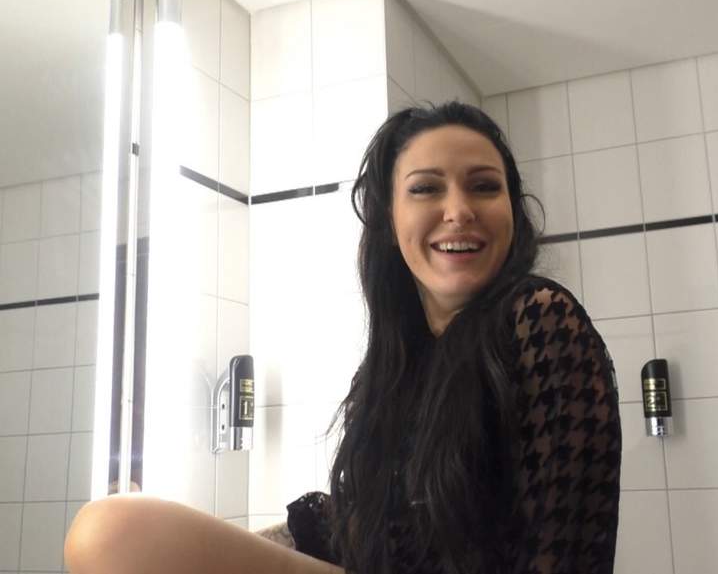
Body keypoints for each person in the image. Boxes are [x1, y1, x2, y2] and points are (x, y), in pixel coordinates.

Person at [64, 101, 621, 574]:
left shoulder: (539, 317)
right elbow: (370, 530)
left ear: (512, 212)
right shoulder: (397, 367)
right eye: (426, 188)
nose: (459, 211)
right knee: (115, 533)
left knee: (113, 533)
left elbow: (569, 548)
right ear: (389, 219)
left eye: (484, 187)